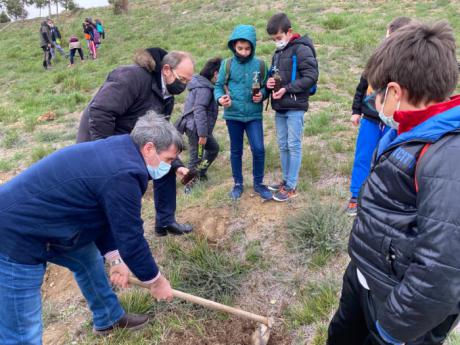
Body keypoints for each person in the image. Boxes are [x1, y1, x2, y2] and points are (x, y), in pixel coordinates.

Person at [327, 21, 460, 345]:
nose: (373, 102)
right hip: (364, 280)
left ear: (396, 93)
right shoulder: (405, 131)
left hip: (399, 319)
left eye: (377, 94)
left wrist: (391, 331)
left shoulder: (447, 157)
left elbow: (441, 272)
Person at [0, 113, 179, 344]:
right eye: (168, 159)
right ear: (149, 148)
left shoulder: (122, 150)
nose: (169, 166)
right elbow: (131, 239)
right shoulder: (124, 174)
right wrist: (155, 281)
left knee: (89, 260)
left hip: (56, 224)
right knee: (22, 332)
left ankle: (108, 318)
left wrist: (115, 259)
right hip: (15, 233)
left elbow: (102, 214)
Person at [76, 48, 194, 237]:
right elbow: (100, 112)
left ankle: (165, 221)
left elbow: (161, 134)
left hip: (132, 143)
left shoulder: (167, 95)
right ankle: (101, 242)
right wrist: (106, 156)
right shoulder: (132, 77)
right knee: (111, 196)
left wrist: (177, 165)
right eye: (182, 80)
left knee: (164, 167)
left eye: (187, 82)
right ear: (166, 70)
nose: (183, 86)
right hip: (100, 143)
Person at [346, 16, 412, 216]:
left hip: (394, 121)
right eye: (388, 36)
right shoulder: (376, 58)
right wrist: (356, 110)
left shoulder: (410, 64)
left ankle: (381, 197)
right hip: (371, 118)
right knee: (363, 156)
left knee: (388, 160)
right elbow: (362, 86)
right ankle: (356, 196)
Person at [214, 24, 272, 201]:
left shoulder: (261, 65)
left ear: (253, 47)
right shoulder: (227, 64)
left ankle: (258, 183)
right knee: (236, 150)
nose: (244, 52)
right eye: (240, 48)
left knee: (259, 149)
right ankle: (238, 184)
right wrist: (220, 99)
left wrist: (262, 95)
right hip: (233, 115)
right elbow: (217, 86)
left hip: (254, 115)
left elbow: (266, 87)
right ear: (233, 46)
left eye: (248, 48)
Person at [265, 13, 319, 202]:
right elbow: (276, 76)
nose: (277, 42)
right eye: (273, 40)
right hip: (280, 106)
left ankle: (292, 186)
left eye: (279, 38)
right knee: (282, 145)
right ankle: (286, 180)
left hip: (295, 105)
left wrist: (287, 89)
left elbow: (311, 76)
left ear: (289, 32)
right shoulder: (278, 53)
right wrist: (269, 84)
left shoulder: (302, 49)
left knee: (293, 145)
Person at [175, 57, 222, 188]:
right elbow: (199, 110)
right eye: (222, 74)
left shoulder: (202, 84)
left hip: (200, 128)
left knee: (213, 149)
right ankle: (189, 186)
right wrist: (202, 134)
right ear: (216, 73)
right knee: (196, 158)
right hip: (196, 129)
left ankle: (200, 173)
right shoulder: (204, 89)